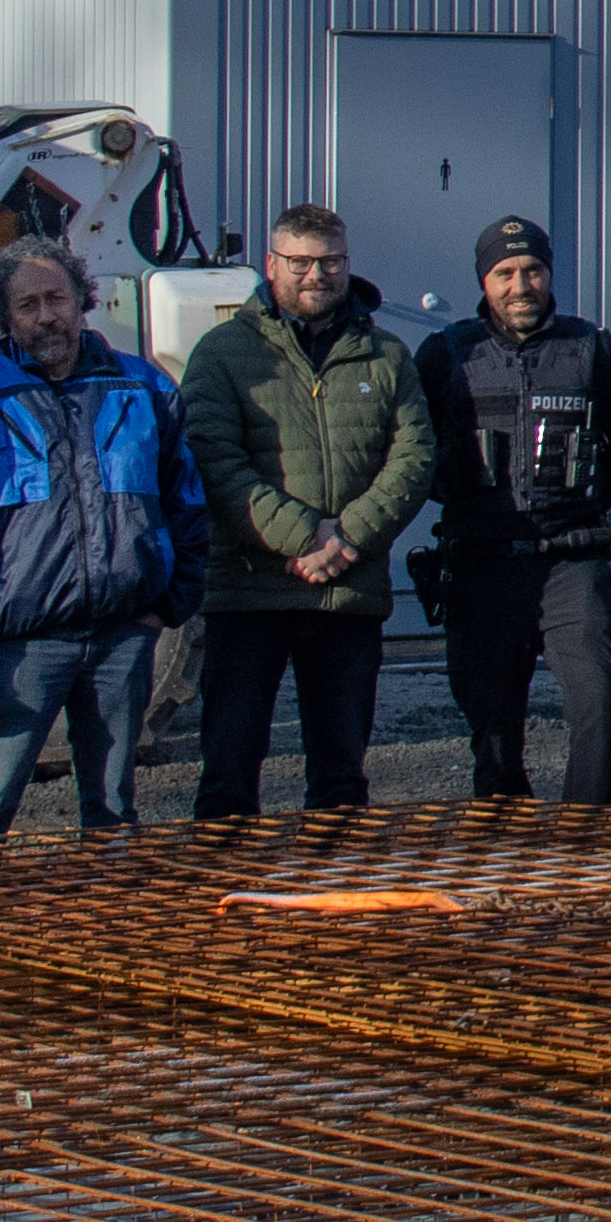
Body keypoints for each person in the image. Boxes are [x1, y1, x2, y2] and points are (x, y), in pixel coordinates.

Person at [0, 240, 204, 846]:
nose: (46, 316)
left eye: (56, 299)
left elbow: (191, 503)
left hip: (125, 635)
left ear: (82, 303)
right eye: (27, 305)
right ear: (4, 316)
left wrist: (170, 602)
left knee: (114, 810)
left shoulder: (145, 388)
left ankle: (108, 923)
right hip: (22, 646)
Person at [177, 204, 431, 822]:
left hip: (347, 594)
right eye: (301, 262)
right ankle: (224, 894)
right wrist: (300, 536)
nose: (317, 274)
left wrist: (347, 538)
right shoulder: (223, 353)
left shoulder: (386, 355)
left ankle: (332, 901)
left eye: (331, 262)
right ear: (272, 265)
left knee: (341, 779)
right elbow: (213, 459)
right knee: (229, 772)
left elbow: (416, 454)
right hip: (249, 594)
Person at [417, 216, 611, 806]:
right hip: (481, 563)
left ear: (549, 276)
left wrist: (575, 507)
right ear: (484, 280)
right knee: (492, 728)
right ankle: (505, 847)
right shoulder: (447, 353)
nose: (520, 285)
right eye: (505, 273)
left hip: (575, 561)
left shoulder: (591, 348)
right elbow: (415, 455)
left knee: (599, 704)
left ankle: (589, 841)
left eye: (532, 271)